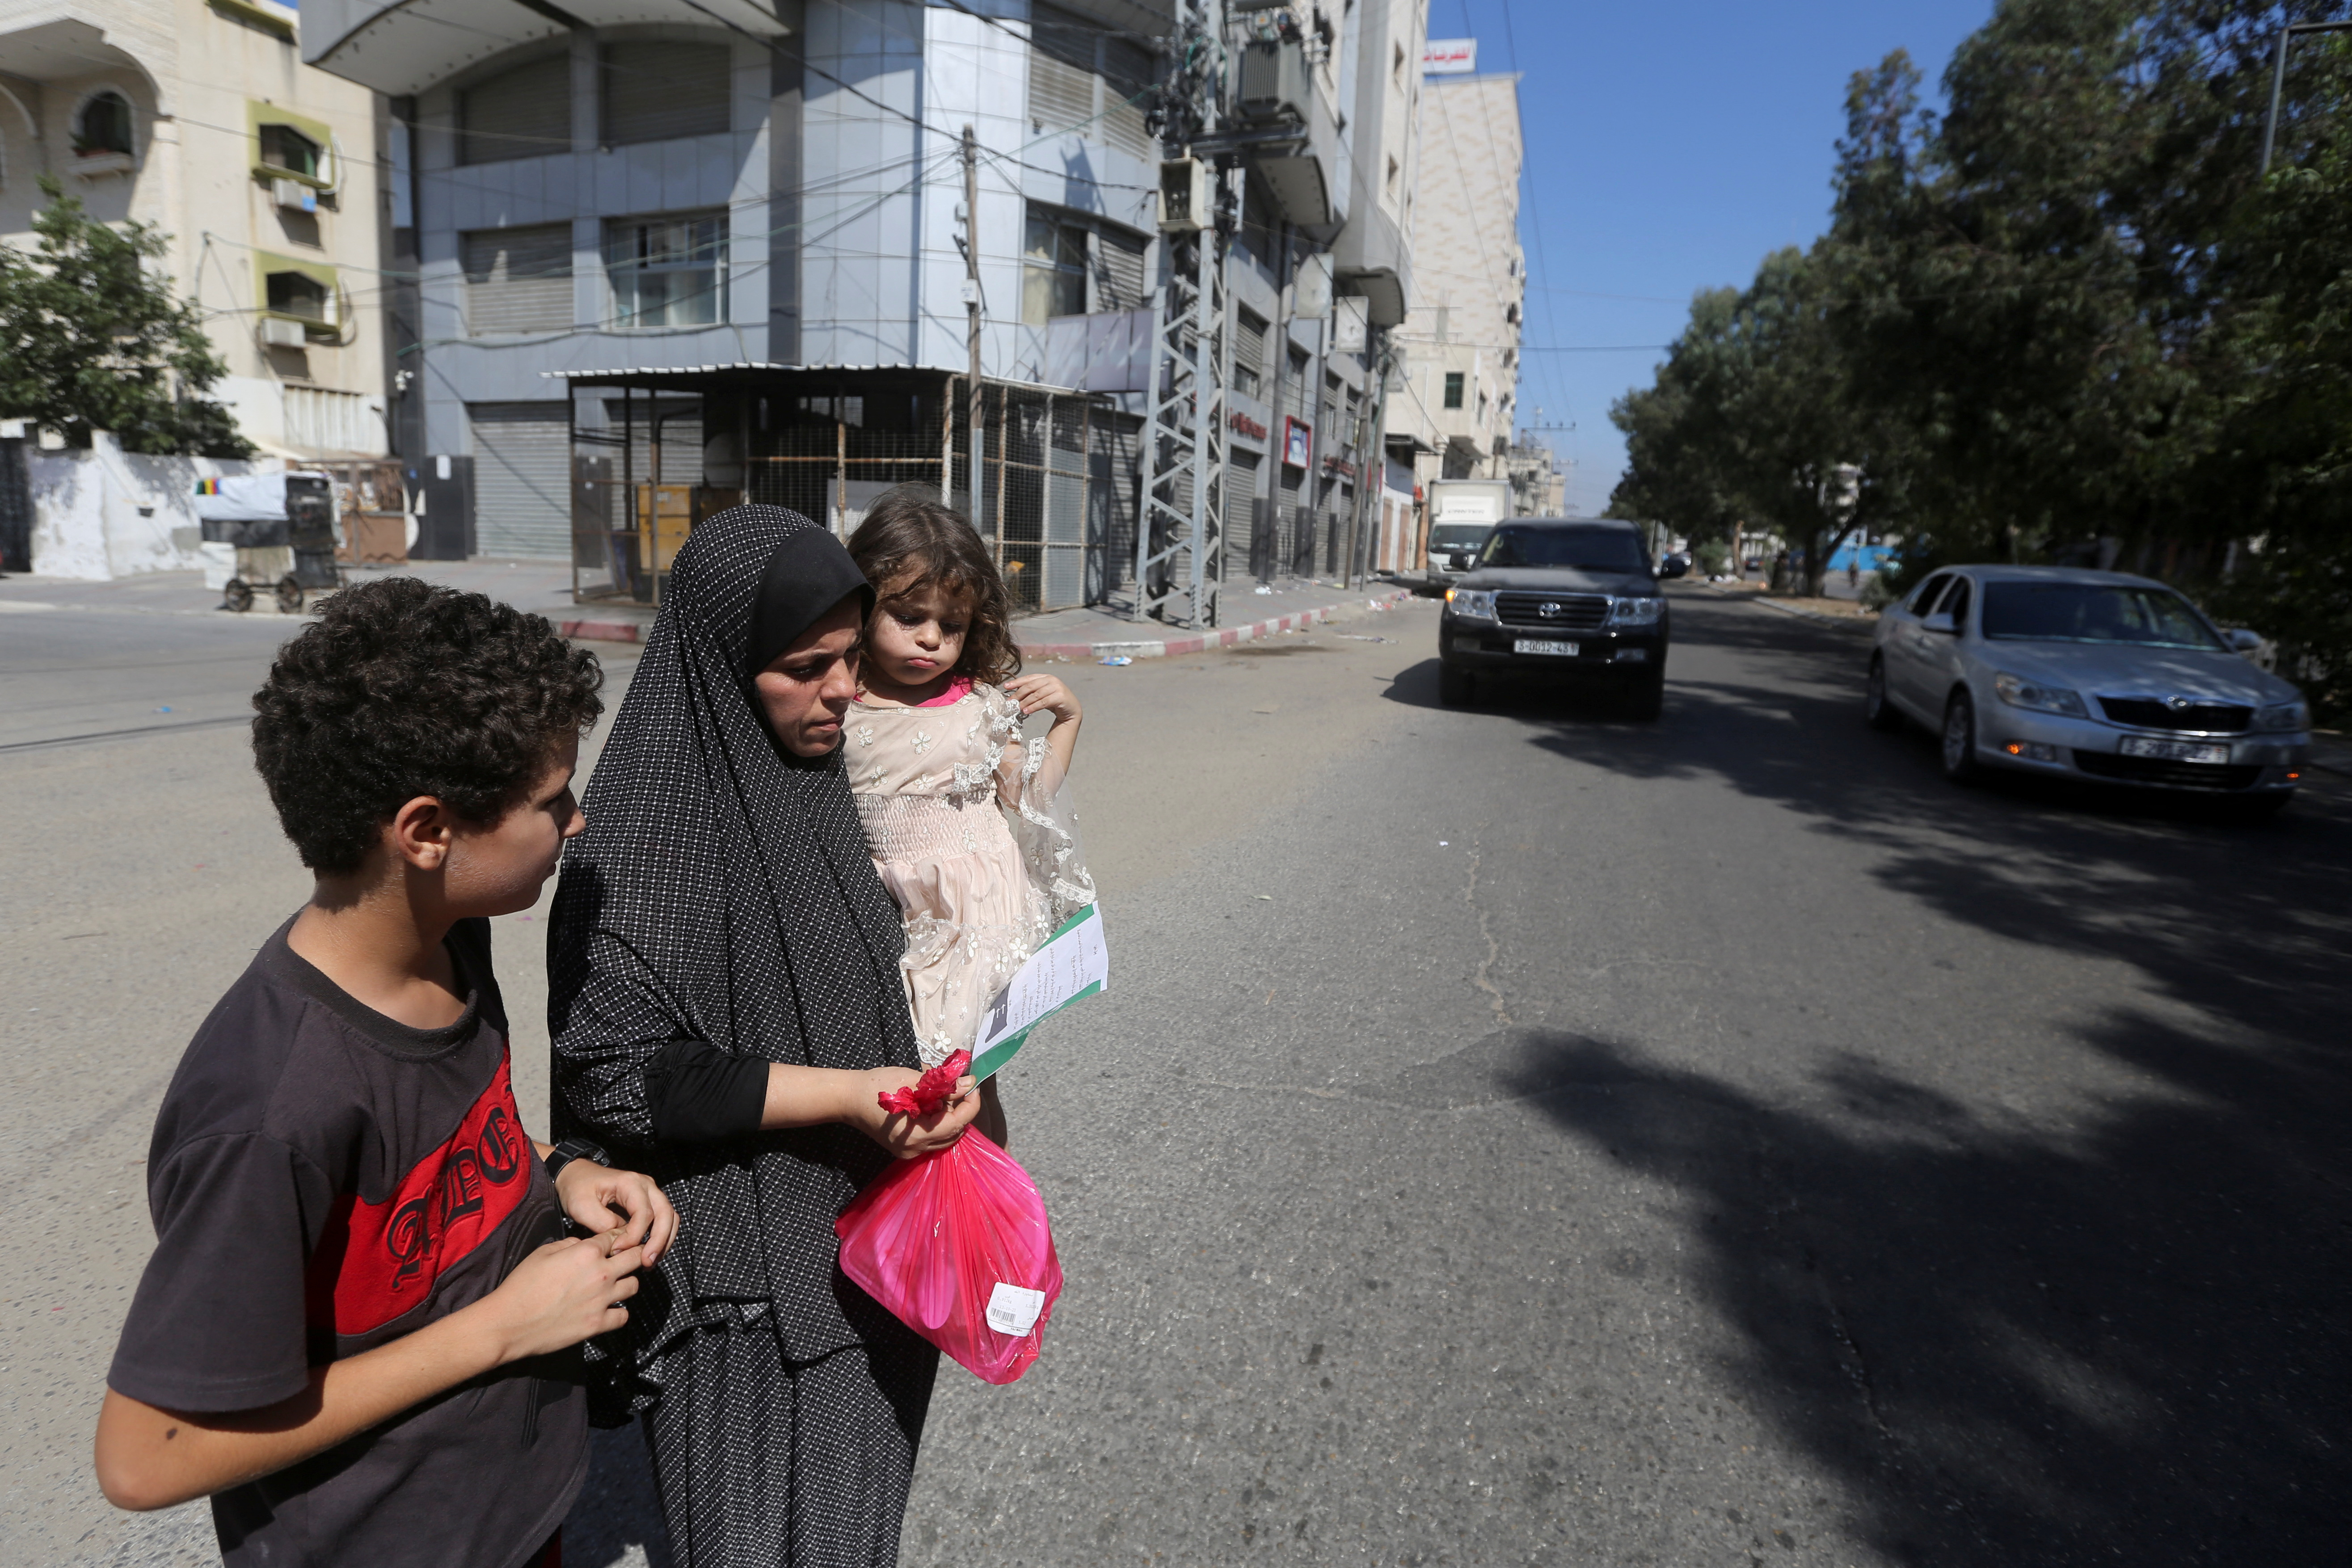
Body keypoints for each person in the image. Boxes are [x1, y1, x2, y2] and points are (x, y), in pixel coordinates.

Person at [93, 577, 677, 1568]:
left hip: (507, 1515)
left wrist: (561, 1168)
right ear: (426, 832)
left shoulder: (453, 941)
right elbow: (147, 1457)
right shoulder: (271, 1106)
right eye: (551, 800)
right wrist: (500, 1329)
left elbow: (449, 1147)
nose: (575, 822)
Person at [547, 505, 982, 1568]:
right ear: (722, 662)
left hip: (870, 1256)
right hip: (741, 1302)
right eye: (807, 665)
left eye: (849, 655)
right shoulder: (645, 835)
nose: (845, 687)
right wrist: (844, 1095)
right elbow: (618, 1072)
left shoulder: (812, 781)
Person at [844, 489, 1095, 1084]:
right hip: (887, 916)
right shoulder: (836, 700)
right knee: (900, 1074)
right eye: (908, 617)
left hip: (977, 918)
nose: (930, 638)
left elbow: (1027, 794)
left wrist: (1069, 721)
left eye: (949, 625)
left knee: (968, 1077)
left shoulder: (981, 704)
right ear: (859, 604)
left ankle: (978, 1173)